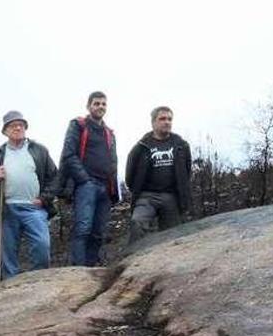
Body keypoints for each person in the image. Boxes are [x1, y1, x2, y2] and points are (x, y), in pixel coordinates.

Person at [0, 110, 59, 280]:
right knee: (8, 257)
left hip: (34, 208)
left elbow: (55, 178)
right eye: (13, 125)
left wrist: (44, 199)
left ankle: (37, 284)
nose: (17, 128)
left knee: (42, 247)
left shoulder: (39, 150)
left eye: (21, 125)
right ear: (5, 131)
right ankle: (10, 293)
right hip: (7, 210)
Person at [60, 91, 121, 266]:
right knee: (83, 228)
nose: (100, 106)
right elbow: (69, 154)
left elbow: (113, 161)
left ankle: (91, 270)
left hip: (106, 187)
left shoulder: (110, 133)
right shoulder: (78, 125)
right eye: (96, 103)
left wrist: (115, 191)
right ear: (89, 106)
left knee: (98, 232)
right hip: (86, 185)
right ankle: (78, 271)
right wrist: (84, 179)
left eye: (103, 104)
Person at [125, 106, 192, 243]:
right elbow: (130, 174)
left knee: (173, 236)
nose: (167, 122)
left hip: (171, 196)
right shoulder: (141, 146)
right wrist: (137, 191)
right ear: (153, 122)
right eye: (162, 119)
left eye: (169, 119)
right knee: (137, 222)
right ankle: (135, 258)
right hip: (146, 196)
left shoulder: (181, 145)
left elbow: (187, 171)